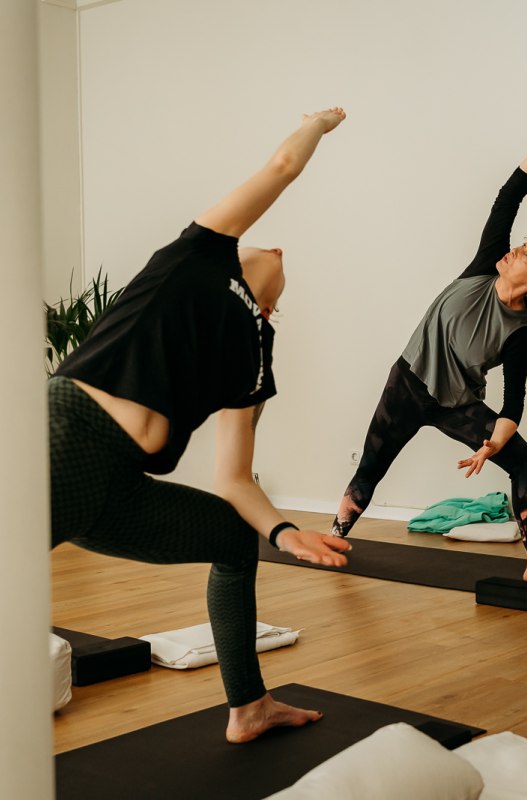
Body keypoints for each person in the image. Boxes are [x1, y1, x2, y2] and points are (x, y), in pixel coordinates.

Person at [48, 108, 352, 743]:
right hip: (64, 442)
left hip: (117, 493)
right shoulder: (195, 256)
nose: (275, 249)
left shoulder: (256, 354)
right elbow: (283, 165)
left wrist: (283, 532)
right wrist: (317, 124)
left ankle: (250, 706)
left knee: (233, 540)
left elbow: (233, 479)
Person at [330, 99, 527, 589]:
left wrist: (491, 444)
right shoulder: (485, 265)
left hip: (456, 405)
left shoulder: (517, 335)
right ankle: (335, 538)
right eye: (525, 245)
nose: (516, 251)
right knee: (371, 465)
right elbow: (508, 198)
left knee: (524, 458)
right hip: (408, 383)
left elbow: (514, 405)